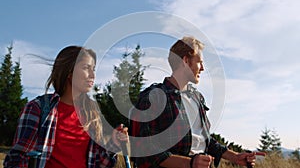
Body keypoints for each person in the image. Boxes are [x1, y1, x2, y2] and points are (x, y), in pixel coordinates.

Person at [129, 36, 264, 168]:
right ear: (186, 61)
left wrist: (235, 157)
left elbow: (205, 140)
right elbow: (145, 152)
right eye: (200, 62)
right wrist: (190, 163)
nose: (203, 68)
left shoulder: (197, 98)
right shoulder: (154, 97)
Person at [4, 46, 128, 168]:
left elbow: (100, 164)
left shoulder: (92, 114)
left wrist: (114, 144)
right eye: (86, 68)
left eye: (93, 69)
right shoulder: (38, 108)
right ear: (69, 72)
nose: (92, 75)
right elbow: (17, 160)